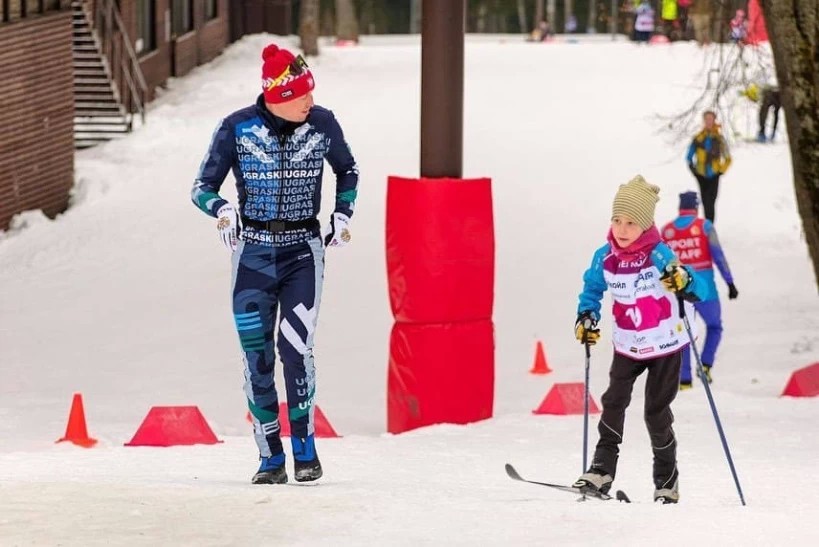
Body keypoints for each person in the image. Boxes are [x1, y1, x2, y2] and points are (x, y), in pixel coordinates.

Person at [191, 43, 359, 484]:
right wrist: (222, 210)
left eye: (311, 92)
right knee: (257, 356)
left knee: (295, 350)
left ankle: (305, 450)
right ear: (278, 96)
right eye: (301, 94)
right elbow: (201, 185)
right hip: (252, 255)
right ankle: (270, 457)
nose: (310, 101)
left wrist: (343, 212)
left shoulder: (322, 124)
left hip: (303, 252)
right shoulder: (236, 128)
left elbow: (348, 169)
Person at [572, 176, 706, 504]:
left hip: (665, 347)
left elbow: (697, 291)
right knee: (613, 402)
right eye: (617, 220)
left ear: (645, 225)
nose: (622, 228)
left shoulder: (659, 254)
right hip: (628, 345)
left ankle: (666, 483)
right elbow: (592, 290)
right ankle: (601, 470)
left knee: (656, 413)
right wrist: (586, 317)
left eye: (631, 222)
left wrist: (683, 280)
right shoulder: (605, 257)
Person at [662, 192, 738, 390]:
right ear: (696, 206)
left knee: (683, 333)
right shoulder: (705, 227)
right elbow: (718, 255)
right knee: (714, 327)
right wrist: (730, 282)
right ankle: (705, 366)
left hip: (678, 292)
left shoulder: (667, 230)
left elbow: (659, 262)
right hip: (706, 291)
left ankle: (684, 380)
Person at [686, 110, 731, 223]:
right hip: (701, 174)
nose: (708, 122)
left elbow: (728, 158)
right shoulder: (698, 138)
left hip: (714, 174)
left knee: (712, 200)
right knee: (706, 201)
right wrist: (693, 169)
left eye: (710, 119)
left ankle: (709, 227)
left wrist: (721, 170)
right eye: (706, 119)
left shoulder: (720, 139)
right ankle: (708, 226)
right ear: (703, 121)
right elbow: (689, 156)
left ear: (714, 120)